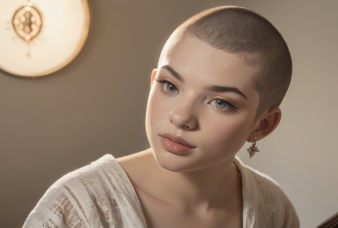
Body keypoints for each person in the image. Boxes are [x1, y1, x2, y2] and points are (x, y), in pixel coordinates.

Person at [23, 6, 299, 228]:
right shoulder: (76, 208)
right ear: (154, 81)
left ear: (263, 125)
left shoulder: (274, 209)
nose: (181, 117)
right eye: (170, 86)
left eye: (220, 102)